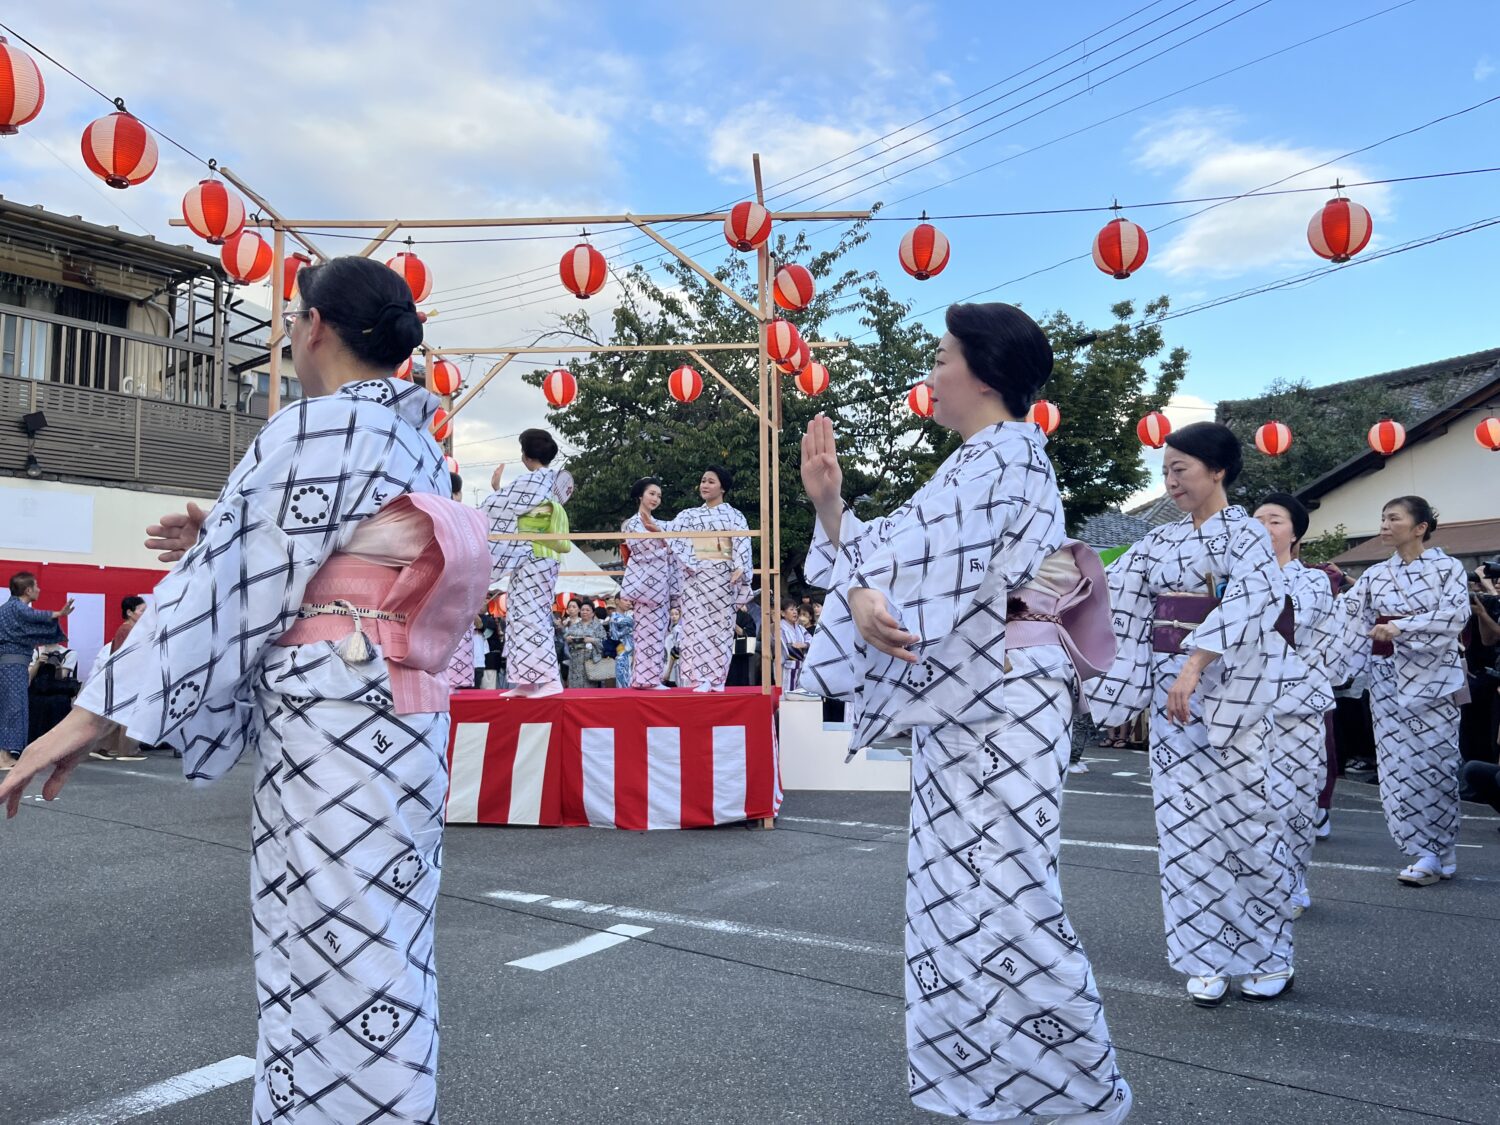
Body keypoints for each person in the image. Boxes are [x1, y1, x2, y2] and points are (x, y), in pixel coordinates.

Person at [0, 255, 490, 1121]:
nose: (289, 334)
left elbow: (223, 588)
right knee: (387, 938)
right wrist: (222, 527)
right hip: (404, 717)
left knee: (326, 942)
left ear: (315, 327)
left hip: (334, 726)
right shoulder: (415, 436)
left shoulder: (315, 427)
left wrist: (84, 717)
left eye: (292, 319)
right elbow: (309, 553)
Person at [801, 303, 1130, 1123]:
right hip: (978, 692)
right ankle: (986, 1080)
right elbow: (896, 555)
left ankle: (1079, 1092)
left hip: (999, 694)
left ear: (983, 373)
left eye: (942, 356)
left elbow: (910, 570)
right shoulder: (984, 460)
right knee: (958, 889)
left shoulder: (1005, 455)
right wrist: (833, 511)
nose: (932, 373)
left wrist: (862, 587)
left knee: (1005, 891)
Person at [1086, 421, 1294, 1007]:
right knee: (1182, 829)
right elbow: (1108, 589)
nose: (1170, 481)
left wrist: (1195, 663)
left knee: (1247, 824)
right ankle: (1205, 955)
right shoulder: (1159, 541)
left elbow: (1253, 602)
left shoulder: (1247, 535)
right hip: (1171, 701)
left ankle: (1269, 953)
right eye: (1165, 471)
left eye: (1181, 469)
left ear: (1218, 470)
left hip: (1228, 699)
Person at [1331, 496, 1469, 886]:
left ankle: (1442, 848)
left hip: (1434, 683)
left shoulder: (1448, 568)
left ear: (1420, 527)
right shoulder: (1376, 575)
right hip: (1387, 680)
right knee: (1397, 767)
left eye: (1394, 518)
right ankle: (1424, 852)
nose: (1385, 525)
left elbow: (1456, 615)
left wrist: (1402, 626)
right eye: (1383, 518)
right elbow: (1347, 618)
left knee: (1437, 765)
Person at [1254, 492, 1339, 917]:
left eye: (1274, 521)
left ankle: (1294, 880)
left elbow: (1294, 625)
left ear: (1294, 535)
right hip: (1243, 706)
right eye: (1257, 521)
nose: (1264, 528)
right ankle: (1257, 882)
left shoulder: (1313, 581)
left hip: (1297, 706)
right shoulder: (1232, 577)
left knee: (1295, 797)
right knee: (1251, 800)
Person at [481, 430, 574, 698]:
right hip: (537, 554)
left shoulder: (533, 480)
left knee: (531, 616)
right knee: (521, 614)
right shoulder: (552, 481)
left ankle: (550, 679)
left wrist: (496, 490)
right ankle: (526, 681)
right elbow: (516, 506)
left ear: (526, 455)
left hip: (534, 552)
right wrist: (500, 491)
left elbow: (496, 506)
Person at [671, 466, 752, 692]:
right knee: (695, 626)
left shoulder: (734, 516)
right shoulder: (688, 515)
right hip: (695, 577)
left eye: (711, 482)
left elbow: (742, 543)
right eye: (703, 481)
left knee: (721, 627)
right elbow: (670, 535)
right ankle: (698, 678)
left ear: (722, 488)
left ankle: (717, 678)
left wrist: (740, 566)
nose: (704, 485)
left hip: (722, 578)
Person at [0, 573, 71, 770]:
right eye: (36, 586)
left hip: (9, 665)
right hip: (13, 666)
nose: (39, 590)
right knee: (13, 709)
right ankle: (4, 757)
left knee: (8, 708)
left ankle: (4, 754)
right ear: (28, 590)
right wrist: (58, 614)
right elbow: (33, 616)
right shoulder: (17, 607)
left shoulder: (6, 609)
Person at [621, 477, 682, 690]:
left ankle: (650, 678)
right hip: (646, 585)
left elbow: (674, 544)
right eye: (651, 494)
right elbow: (643, 552)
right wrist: (666, 543)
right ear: (641, 495)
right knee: (646, 633)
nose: (656, 498)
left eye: (659, 496)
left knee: (658, 634)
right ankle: (645, 680)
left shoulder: (660, 524)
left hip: (660, 585)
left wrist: (664, 539)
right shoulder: (632, 524)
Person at [28, 635, 79, 742]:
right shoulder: (36, 651)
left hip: (58, 695)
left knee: (59, 704)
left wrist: (58, 667)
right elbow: (29, 678)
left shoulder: (69, 653)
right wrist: (38, 662)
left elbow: (61, 677)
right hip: (38, 694)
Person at [563, 602, 608, 689]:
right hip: (575, 660)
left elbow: (604, 642)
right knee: (575, 686)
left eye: (587, 610)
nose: (584, 612)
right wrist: (568, 639)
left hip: (591, 660)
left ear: (593, 613)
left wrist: (592, 640)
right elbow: (565, 637)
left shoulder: (598, 626)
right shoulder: (574, 626)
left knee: (590, 687)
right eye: (583, 610)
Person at [778, 600, 810, 690]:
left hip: (802, 666)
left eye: (796, 609)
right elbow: (786, 647)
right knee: (787, 691)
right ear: (783, 613)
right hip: (787, 666)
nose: (795, 612)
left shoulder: (800, 627)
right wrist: (799, 648)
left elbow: (811, 640)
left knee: (800, 692)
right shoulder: (780, 627)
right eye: (791, 609)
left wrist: (805, 645)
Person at [608, 597, 635, 687]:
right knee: (624, 687)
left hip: (633, 655)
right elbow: (615, 638)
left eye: (629, 601)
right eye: (625, 600)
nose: (628, 603)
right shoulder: (614, 617)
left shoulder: (628, 616)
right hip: (622, 656)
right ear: (617, 601)